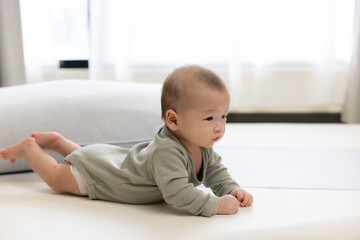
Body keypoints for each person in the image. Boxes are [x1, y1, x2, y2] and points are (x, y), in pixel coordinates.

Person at [0, 65, 253, 217]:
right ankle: (30, 148)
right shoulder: (168, 152)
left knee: (86, 158)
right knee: (56, 176)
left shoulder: (201, 145)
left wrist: (231, 189)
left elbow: (216, 173)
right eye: (209, 118)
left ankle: (58, 142)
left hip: (108, 160)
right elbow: (178, 194)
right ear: (173, 120)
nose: (220, 126)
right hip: (99, 180)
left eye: (223, 116)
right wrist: (215, 205)